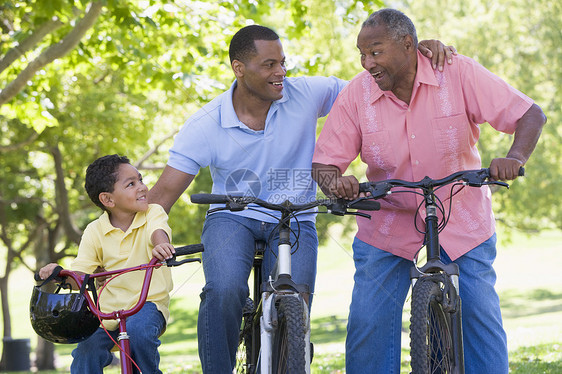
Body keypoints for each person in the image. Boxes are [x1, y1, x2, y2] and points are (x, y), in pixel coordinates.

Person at [147, 24, 454, 372]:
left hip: (295, 215)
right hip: (232, 216)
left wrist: (413, 54)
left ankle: (289, 355)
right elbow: (161, 198)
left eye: (283, 62)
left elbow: (370, 84)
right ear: (239, 68)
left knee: (297, 298)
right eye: (269, 65)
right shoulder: (205, 123)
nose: (281, 72)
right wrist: (142, 235)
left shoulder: (307, 92)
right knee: (224, 290)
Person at [311, 8, 547, 374]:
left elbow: (531, 113)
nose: (366, 63)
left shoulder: (457, 72)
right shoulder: (358, 93)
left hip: (461, 215)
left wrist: (515, 156)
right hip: (388, 220)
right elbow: (325, 163)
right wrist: (336, 184)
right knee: (368, 324)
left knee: (479, 317)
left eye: (375, 52)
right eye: (361, 54)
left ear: (409, 45)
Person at [39, 154, 175, 374]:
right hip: (107, 313)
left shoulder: (152, 212)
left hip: (148, 305)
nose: (142, 187)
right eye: (131, 184)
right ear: (108, 200)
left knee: (138, 333)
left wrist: (161, 246)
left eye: (140, 180)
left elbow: (158, 232)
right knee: (86, 350)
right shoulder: (95, 231)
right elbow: (80, 276)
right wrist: (59, 273)